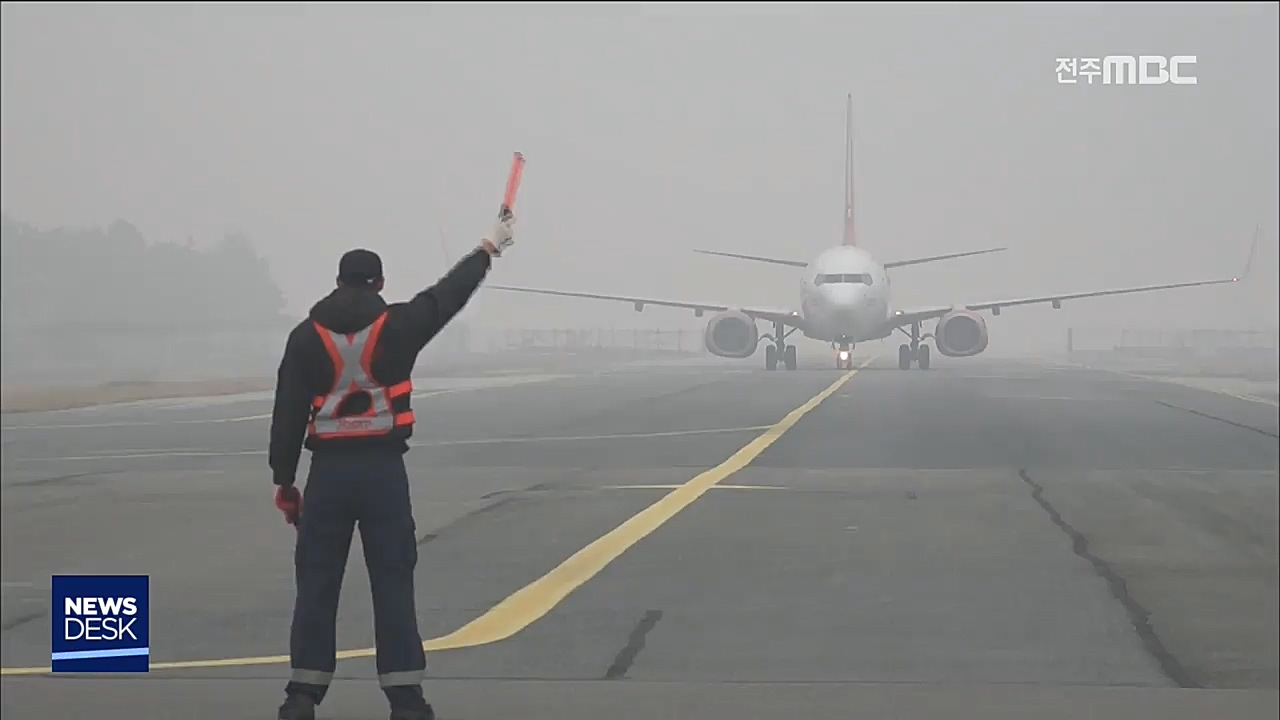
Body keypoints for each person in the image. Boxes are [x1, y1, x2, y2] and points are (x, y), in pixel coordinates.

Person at [269, 209, 516, 720]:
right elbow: (446, 296)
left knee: (316, 584)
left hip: (328, 476)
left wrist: (284, 482)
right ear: (380, 284)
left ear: (336, 282)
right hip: (383, 473)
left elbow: (287, 413)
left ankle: (302, 694)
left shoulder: (304, 337)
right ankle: (405, 697)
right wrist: (488, 248)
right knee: (393, 581)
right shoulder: (399, 325)